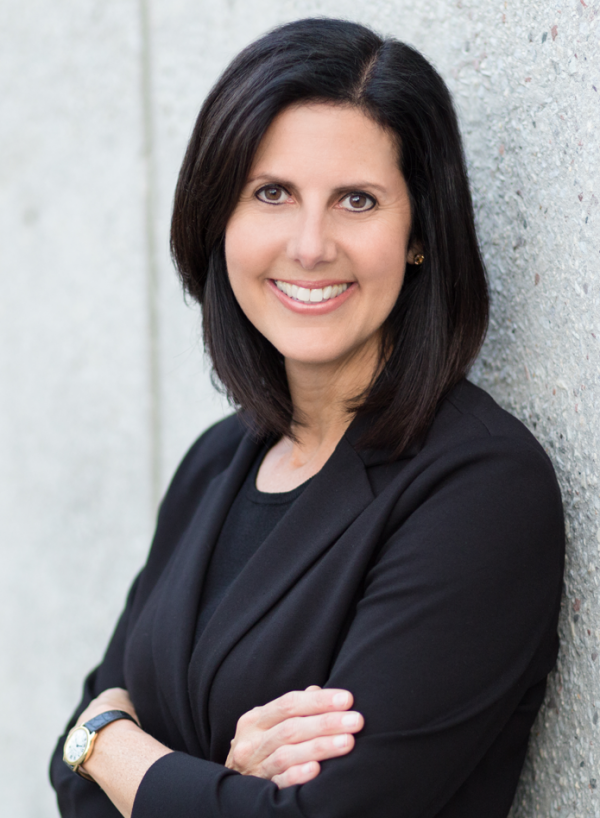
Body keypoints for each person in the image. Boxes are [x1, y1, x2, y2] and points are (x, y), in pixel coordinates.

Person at [50, 17, 564, 818]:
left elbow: (93, 744)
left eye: (357, 200)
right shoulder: (215, 465)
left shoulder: (480, 491)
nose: (312, 244)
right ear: (221, 219)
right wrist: (217, 778)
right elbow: (70, 787)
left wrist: (111, 746)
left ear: (419, 234)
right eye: (273, 194)